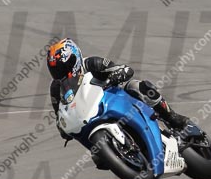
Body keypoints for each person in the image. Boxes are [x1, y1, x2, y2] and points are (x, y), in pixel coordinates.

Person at [47, 38, 189, 138]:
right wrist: (62, 127)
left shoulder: (91, 64)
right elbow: (59, 113)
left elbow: (124, 69)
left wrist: (118, 74)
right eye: (56, 70)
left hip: (113, 99)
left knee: (136, 86)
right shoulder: (56, 88)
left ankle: (171, 117)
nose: (60, 73)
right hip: (89, 116)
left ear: (75, 58)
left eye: (63, 67)